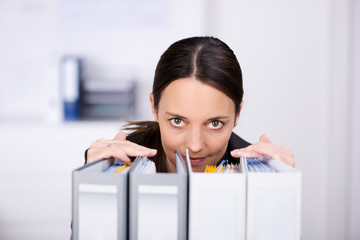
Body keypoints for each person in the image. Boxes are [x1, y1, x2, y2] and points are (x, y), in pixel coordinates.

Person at [85, 36, 294, 172]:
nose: (194, 146)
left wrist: (283, 194)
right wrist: (89, 184)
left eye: (215, 124)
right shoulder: (118, 166)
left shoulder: (257, 172)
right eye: (177, 121)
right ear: (154, 108)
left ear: (238, 113)